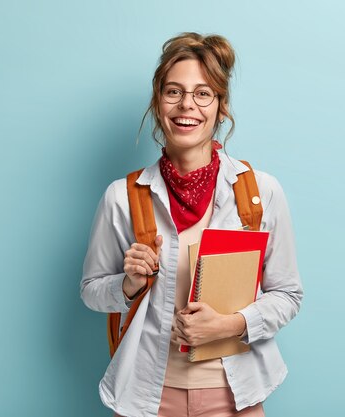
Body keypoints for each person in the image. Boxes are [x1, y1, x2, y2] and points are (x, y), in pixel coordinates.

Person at [80, 32, 303, 417]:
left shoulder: (260, 192)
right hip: (148, 397)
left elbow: (287, 294)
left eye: (203, 93)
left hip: (234, 398)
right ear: (158, 102)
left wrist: (231, 325)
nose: (187, 105)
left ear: (221, 106)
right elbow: (91, 291)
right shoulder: (122, 197)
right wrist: (128, 286)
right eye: (173, 92)